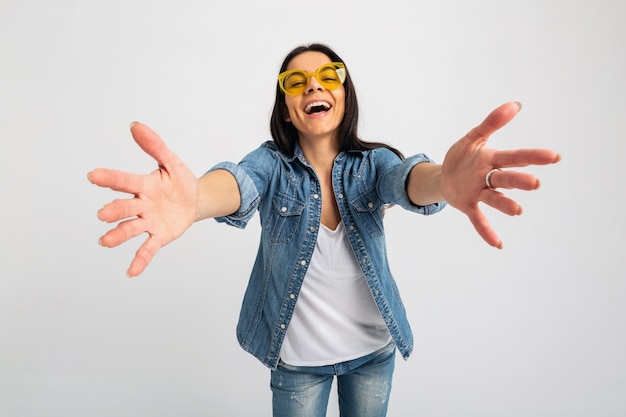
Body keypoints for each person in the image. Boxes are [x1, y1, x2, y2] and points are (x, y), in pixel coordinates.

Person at [88, 43, 561, 417]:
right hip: (298, 363)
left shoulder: (372, 164)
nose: (313, 85)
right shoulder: (271, 165)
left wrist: (443, 181)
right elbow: (237, 182)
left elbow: (407, 180)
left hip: (374, 351)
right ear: (289, 107)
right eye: (296, 81)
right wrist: (195, 201)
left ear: (343, 94)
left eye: (327, 76)